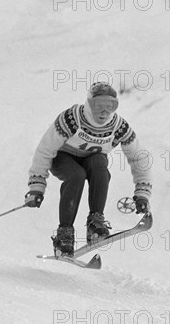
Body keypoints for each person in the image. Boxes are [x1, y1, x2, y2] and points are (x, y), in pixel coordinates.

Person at [25, 82, 152, 256]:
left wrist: (142, 193)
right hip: (63, 158)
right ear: (89, 104)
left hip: (92, 160)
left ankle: (95, 222)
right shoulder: (72, 119)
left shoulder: (118, 126)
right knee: (76, 175)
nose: (104, 112)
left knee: (100, 163)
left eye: (110, 106)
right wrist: (36, 187)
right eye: (98, 105)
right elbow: (45, 150)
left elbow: (139, 157)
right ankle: (65, 233)